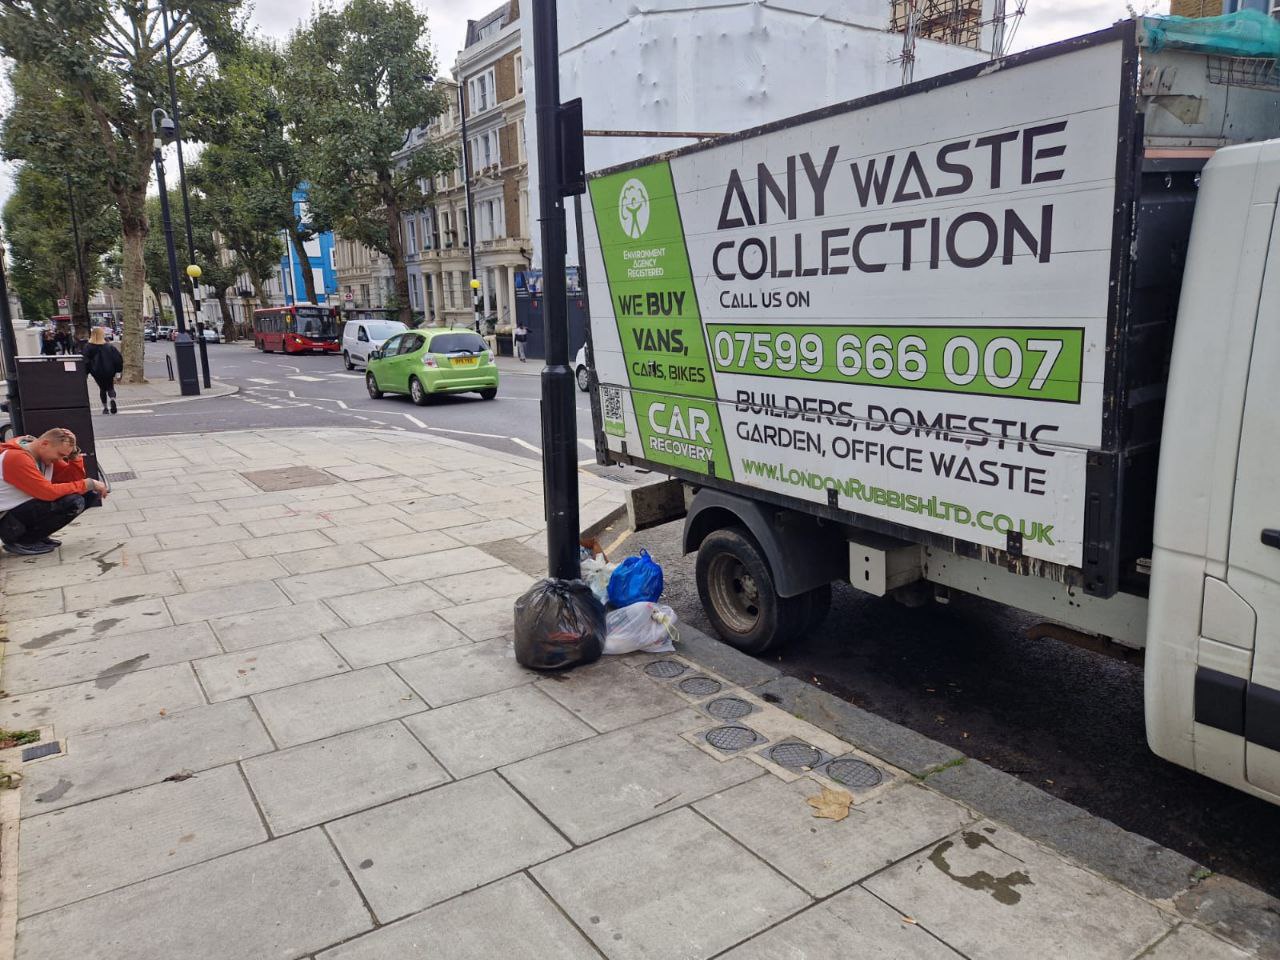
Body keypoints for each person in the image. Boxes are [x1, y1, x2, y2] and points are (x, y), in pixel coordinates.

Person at [0, 428, 107, 556]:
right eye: (60, 455)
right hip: (6, 521)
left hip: (17, 514)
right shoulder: (16, 458)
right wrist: (88, 483)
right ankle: (23, 541)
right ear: (45, 444)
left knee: (89, 494)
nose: (60, 459)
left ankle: (36, 536)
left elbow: (73, 478)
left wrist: (74, 454)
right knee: (73, 501)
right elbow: (47, 492)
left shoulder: (42, 453)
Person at [83, 327, 124, 414]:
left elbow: (86, 361)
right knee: (110, 387)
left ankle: (105, 408)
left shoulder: (88, 347)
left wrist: (86, 372)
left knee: (102, 388)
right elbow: (117, 359)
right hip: (109, 370)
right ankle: (112, 399)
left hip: (96, 371)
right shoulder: (109, 346)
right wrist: (118, 370)